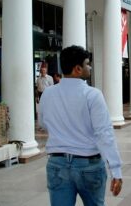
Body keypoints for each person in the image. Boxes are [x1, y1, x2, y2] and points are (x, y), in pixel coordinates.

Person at [38, 46, 123, 205]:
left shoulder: (48, 93)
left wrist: (63, 131)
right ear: (77, 69)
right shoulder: (92, 94)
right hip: (88, 164)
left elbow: (43, 123)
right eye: (87, 64)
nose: (89, 67)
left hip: (57, 163)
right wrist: (116, 170)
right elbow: (104, 133)